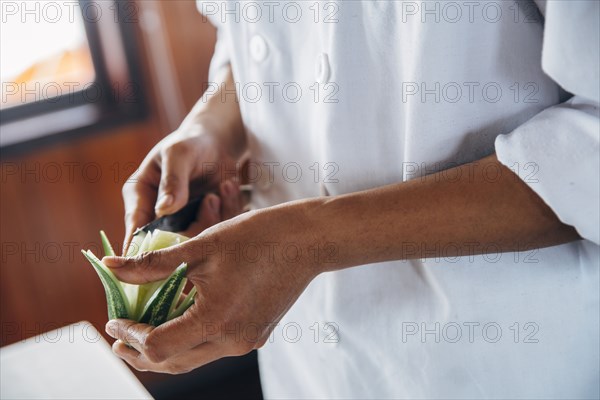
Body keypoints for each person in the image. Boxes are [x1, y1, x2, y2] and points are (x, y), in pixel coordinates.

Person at [103, 1, 599, 398]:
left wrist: (308, 241)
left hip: (498, 362)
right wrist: (211, 128)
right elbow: (248, 34)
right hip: (306, 364)